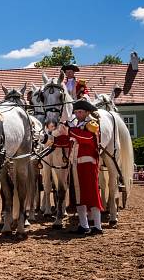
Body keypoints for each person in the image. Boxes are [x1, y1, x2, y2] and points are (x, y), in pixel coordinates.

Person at [42, 99, 103, 234]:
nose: (77, 114)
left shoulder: (91, 124)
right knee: (78, 195)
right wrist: (48, 139)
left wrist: (70, 130)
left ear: (87, 112)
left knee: (92, 194)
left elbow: (88, 139)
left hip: (88, 163)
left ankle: (98, 226)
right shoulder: (76, 126)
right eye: (76, 112)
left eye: (80, 112)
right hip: (75, 164)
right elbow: (66, 141)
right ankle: (84, 225)